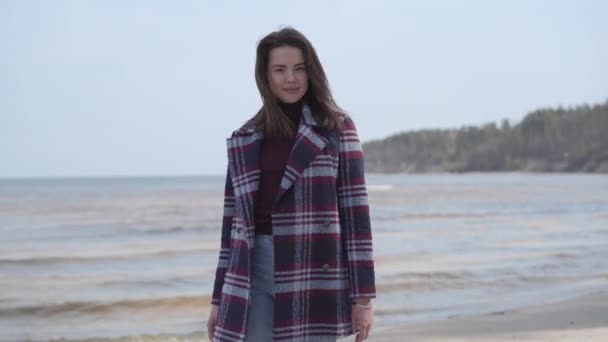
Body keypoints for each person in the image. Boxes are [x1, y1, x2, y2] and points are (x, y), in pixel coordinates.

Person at [207, 26, 376, 342]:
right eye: (280, 70)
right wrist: (218, 298)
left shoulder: (336, 129)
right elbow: (231, 227)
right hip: (252, 270)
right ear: (266, 76)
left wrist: (363, 297)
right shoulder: (244, 138)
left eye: (299, 69)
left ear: (311, 73)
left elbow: (356, 216)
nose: (291, 78)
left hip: (313, 269)